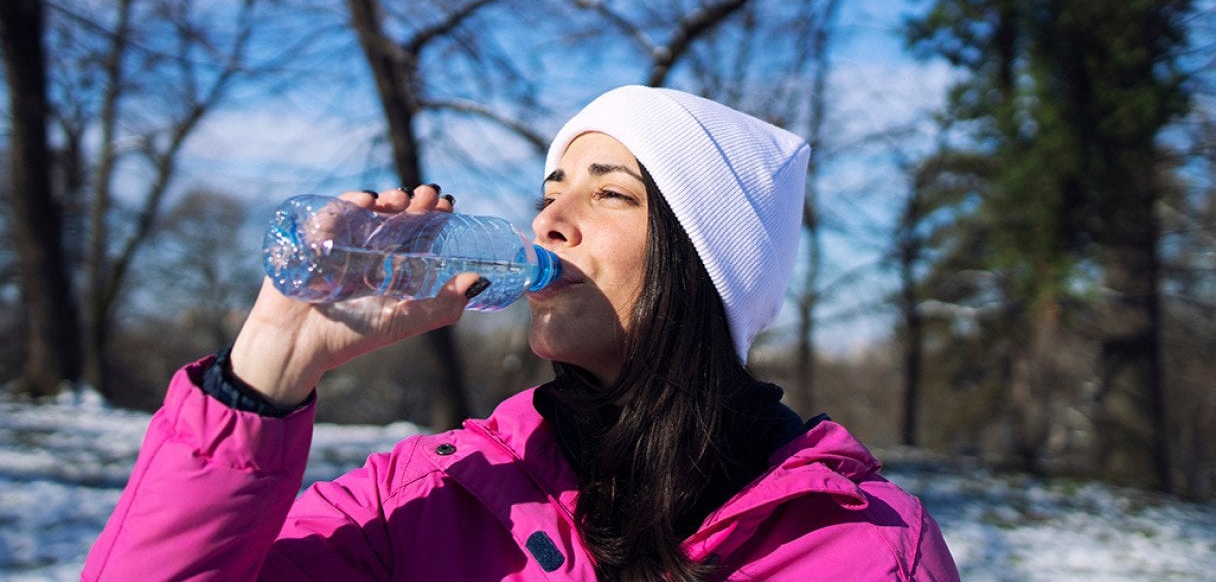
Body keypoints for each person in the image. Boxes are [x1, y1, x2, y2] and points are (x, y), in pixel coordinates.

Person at [83, 85, 960, 581]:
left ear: (707, 267)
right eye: (550, 189)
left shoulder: (862, 547)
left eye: (609, 193)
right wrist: (272, 362)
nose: (550, 222)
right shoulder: (422, 499)